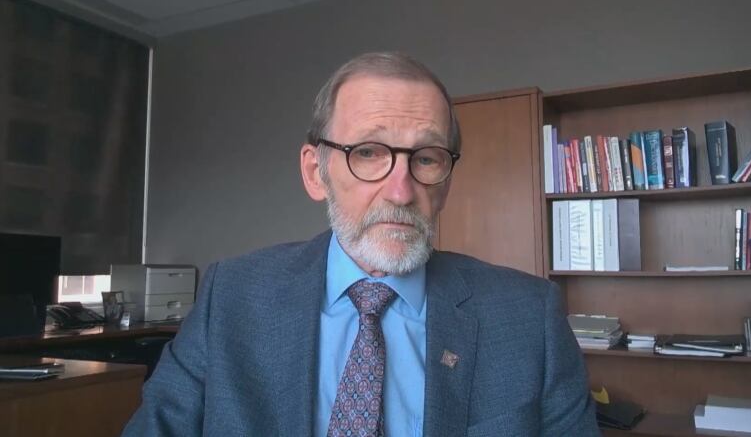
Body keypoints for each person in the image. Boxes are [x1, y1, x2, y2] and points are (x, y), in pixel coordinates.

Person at [122, 52, 599, 436]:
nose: (401, 190)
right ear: (316, 172)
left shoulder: (527, 317)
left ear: (446, 180)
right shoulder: (233, 296)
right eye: (368, 153)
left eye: (427, 158)